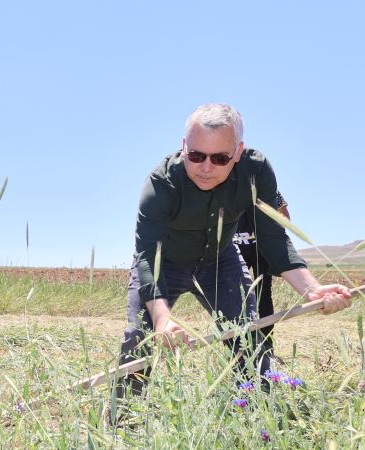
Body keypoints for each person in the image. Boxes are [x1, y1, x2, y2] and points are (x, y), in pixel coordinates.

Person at [116, 103, 350, 399]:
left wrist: (313, 290)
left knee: (247, 335)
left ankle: (258, 413)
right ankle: (123, 422)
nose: (206, 167)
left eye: (220, 158)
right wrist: (163, 320)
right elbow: (148, 256)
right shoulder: (161, 182)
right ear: (184, 146)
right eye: (196, 155)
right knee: (140, 337)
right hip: (165, 263)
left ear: (238, 153)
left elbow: (273, 238)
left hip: (220, 261)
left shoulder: (257, 170)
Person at [234, 191, 290, 359]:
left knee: (263, 296)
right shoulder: (228, 184)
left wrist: (271, 237)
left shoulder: (269, 189)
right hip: (236, 248)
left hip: (261, 250)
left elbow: (284, 216)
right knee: (236, 296)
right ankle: (241, 349)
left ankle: (267, 348)